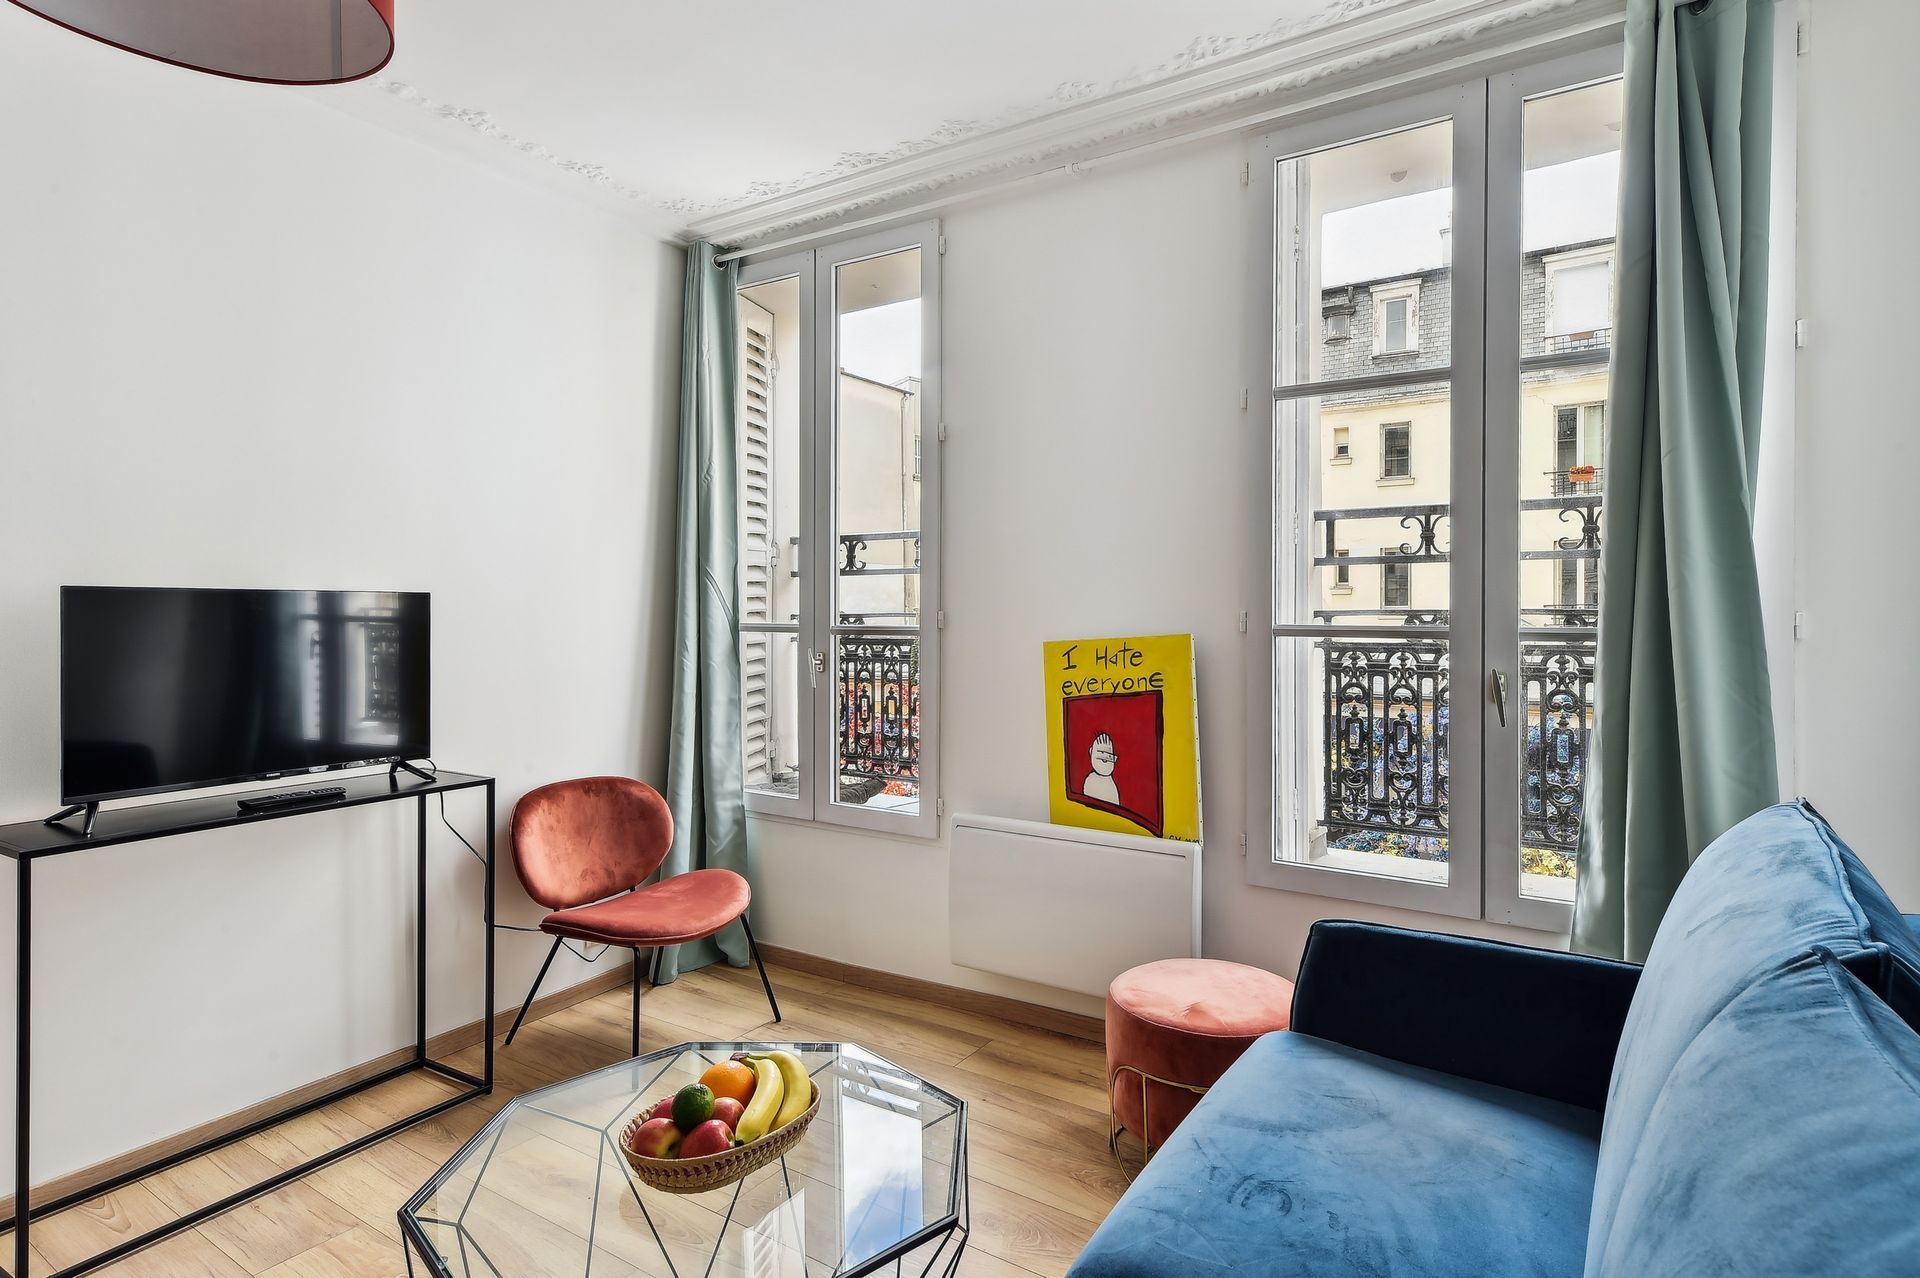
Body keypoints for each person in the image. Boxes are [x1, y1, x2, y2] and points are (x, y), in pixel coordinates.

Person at [1082, 732, 1120, 804]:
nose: (1105, 757)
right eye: (1101, 752)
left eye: (1109, 754)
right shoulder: (1091, 780)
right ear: (1091, 751)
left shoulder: (1111, 784)